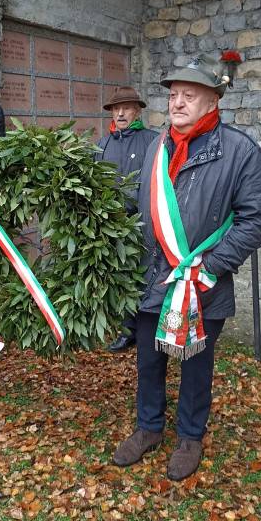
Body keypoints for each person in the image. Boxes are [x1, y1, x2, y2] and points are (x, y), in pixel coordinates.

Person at [112, 54, 261, 480]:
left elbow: (256, 217)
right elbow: (138, 204)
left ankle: (190, 436)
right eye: (174, 95)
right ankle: (148, 428)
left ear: (211, 102)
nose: (177, 103)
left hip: (202, 283)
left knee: (194, 362)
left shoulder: (239, 151)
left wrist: (212, 266)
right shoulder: (155, 146)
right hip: (152, 278)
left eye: (189, 95)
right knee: (148, 359)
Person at [96, 86, 156, 352]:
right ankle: (127, 328)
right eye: (116, 109)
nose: (120, 113)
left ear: (137, 111)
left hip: (143, 225)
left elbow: (153, 183)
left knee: (143, 275)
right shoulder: (103, 144)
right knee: (121, 275)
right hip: (113, 225)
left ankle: (147, 327)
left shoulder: (153, 141)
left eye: (126, 108)